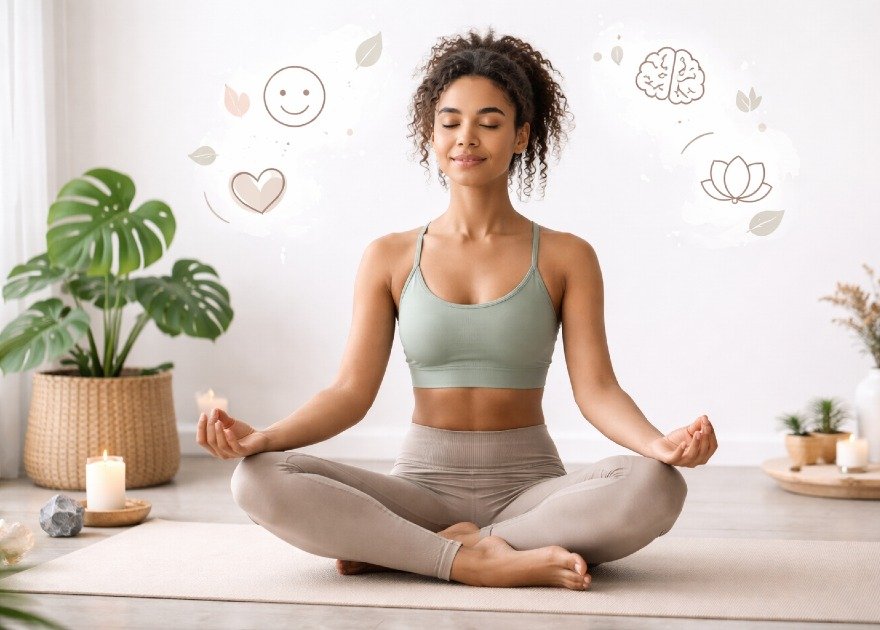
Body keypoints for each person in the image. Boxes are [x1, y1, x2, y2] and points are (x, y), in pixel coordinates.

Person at [200, 27, 718, 590]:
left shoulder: (569, 256)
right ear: (431, 133)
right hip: (419, 489)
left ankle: (420, 552)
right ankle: (475, 560)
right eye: (450, 122)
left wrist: (658, 445)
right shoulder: (389, 256)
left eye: (489, 123)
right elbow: (350, 393)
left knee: (659, 485)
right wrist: (263, 440)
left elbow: (596, 389)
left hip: (532, 490)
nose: (466, 138)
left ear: (521, 136)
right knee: (257, 480)